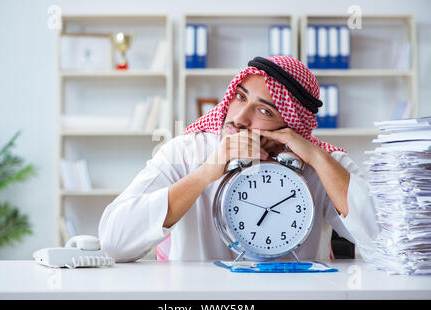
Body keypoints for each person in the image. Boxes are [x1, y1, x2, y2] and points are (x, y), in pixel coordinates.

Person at [98, 56, 380, 262]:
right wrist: (206, 173)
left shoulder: (324, 164)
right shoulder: (186, 152)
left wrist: (317, 157)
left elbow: (389, 246)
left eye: (265, 111)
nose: (239, 118)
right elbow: (113, 242)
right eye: (240, 97)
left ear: (292, 127)